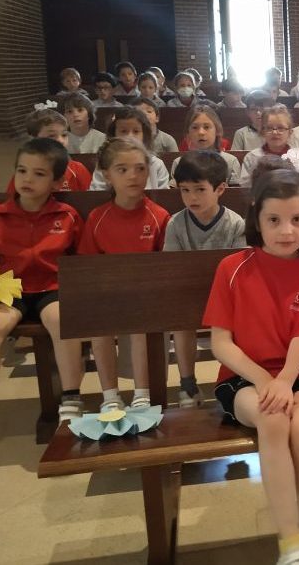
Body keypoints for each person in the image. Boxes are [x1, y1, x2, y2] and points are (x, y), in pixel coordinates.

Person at [204, 169, 299, 565]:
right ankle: (290, 542)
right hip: (242, 379)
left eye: (297, 219)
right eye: (274, 219)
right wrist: (264, 380)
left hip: (297, 374)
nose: (286, 231)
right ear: (257, 220)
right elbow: (220, 343)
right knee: (273, 420)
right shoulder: (232, 268)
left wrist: (285, 380)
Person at [0, 138, 86, 455]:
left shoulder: (67, 216)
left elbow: (81, 258)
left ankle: (71, 401)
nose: (27, 179)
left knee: (63, 322)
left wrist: (76, 289)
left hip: (52, 287)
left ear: (57, 182)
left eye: (39, 174)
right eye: (22, 171)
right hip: (10, 288)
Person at [79, 138, 171, 413]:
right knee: (99, 325)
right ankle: (110, 395)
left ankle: (142, 393)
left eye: (140, 169)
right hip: (109, 293)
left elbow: (165, 265)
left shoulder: (158, 216)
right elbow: (87, 265)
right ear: (107, 175)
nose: (133, 176)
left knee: (141, 322)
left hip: (146, 295)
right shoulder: (97, 217)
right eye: (122, 169)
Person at [164, 151, 246, 407]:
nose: (192, 197)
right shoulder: (176, 224)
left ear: (220, 189)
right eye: (185, 190)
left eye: (200, 189)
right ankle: (187, 383)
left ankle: (236, 375)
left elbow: (240, 270)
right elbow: (171, 266)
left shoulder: (235, 223)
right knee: (179, 319)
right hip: (189, 294)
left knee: (241, 315)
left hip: (226, 295)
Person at [8, 108, 91, 192]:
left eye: (64, 135)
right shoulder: (24, 173)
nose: (61, 141)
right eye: (51, 135)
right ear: (34, 139)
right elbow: (12, 198)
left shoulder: (77, 169)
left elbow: (90, 197)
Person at [89, 108, 171, 190]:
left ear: (144, 134)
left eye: (136, 131)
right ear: (114, 134)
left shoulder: (156, 164)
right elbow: (96, 193)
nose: (130, 136)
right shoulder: (105, 163)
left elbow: (164, 195)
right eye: (123, 131)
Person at [239, 106, 299, 186]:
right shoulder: (252, 157)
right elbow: (245, 185)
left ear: (290, 132)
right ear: (263, 131)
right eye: (269, 128)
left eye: (280, 128)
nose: (274, 132)